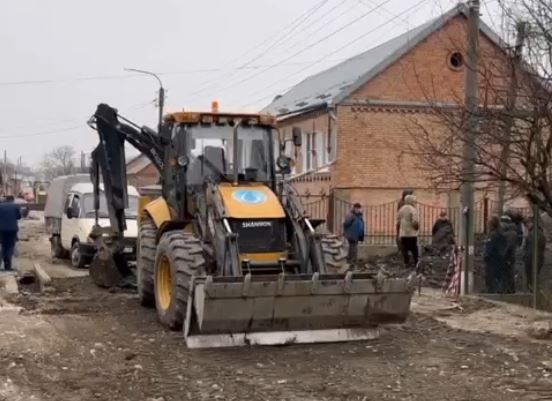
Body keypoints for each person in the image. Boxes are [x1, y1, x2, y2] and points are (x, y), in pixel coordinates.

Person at [484, 216, 507, 293]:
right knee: (494, 275)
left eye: (488, 224)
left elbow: (491, 246)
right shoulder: (497, 234)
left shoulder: (494, 235)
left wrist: (486, 254)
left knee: (492, 275)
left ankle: (493, 290)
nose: (487, 225)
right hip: (496, 258)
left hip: (493, 258)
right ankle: (495, 289)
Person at [397, 194, 419, 268]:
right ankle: (416, 262)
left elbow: (398, 220)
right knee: (414, 248)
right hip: (411, 233)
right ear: (411, 201)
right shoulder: (412, 209)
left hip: (403, 233)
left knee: (405, 248)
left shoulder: (401, 209)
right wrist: (416, 227)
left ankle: (406, 262)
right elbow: (415, 221)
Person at [524, 217, 546, 291]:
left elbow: (530, 250)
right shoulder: (540, 232)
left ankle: (534, 293)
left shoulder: (532, 234)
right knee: (535, 276)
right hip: (539, 258)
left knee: (531, 278)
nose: (526, 227)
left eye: (527, 224)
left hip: (532, 259)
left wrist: (527, 260)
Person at [0, 195, 21, 271]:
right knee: (10, 246)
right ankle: (7, 267)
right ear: (12, 200)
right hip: (12, 229)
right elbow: (19, 217)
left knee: (3, 246)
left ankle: (3, 264)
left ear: (6, 199)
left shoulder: (0, 206)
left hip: (1, 229)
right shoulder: (15, 206)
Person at [499, 214, 518, 293]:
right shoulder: (509, 232)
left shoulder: (510, 233)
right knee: (508, 273)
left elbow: (509, 246)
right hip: (509, 256)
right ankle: (508, 289)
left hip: (508, 257)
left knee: (509, 273)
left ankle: (509, 289)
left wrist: (503, 254)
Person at [343, 203, 365, 268]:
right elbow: (346, 224)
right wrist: (347, 232)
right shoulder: (351, 215)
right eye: (357, 208)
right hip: (352, 235)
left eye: (359, 208)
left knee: (353, 248)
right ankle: (352, 262)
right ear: (354, 208)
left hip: (356, 235)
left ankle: (350, 261)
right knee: (353, 248)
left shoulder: (359, 216)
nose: (358, 210)